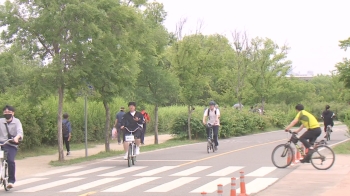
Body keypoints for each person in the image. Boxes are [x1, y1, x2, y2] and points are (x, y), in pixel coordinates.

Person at [0, 105, 23, 189]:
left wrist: (16, 138)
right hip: (1, 144)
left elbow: (19, 132)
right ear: (3, 113)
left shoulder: (17, 121)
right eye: (5, 112)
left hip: (11, 144)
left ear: (13, 113)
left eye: (9, 112)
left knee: (10, 161)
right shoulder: (0, 121)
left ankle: (11, 181)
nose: (7, 113)